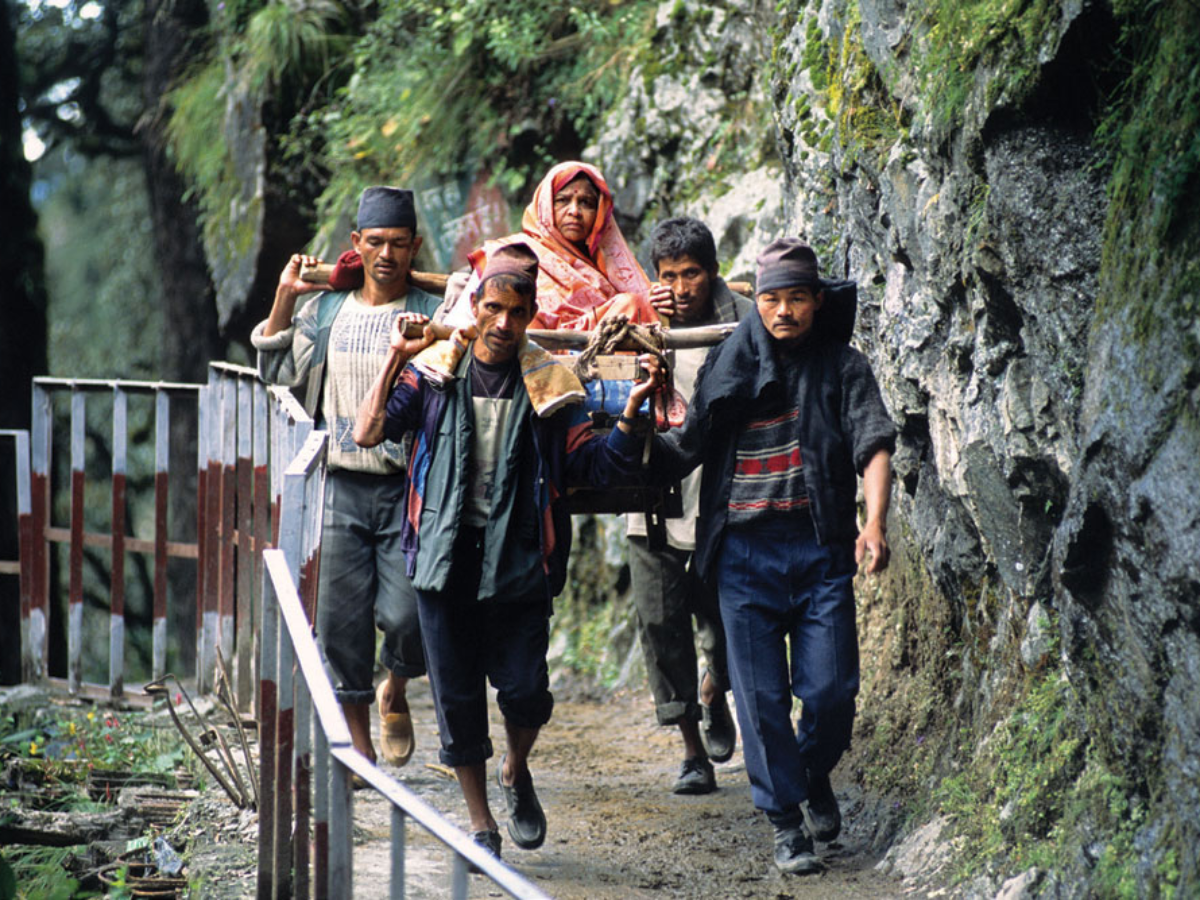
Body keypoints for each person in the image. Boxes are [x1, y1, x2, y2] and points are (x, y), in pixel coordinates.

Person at [353, 244, 665, 863]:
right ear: (475, 306)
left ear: (529, 316)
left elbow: (589, 466)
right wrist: (395, 356)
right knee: (459, 700)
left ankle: (516, 768)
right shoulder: (436, 371)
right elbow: (367, 432)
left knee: (525, 693)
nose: (502, 323)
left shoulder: (551, 384)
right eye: (493, 308)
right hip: (445, 560)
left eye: (516, 312)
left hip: (521, 559)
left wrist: (629, 416)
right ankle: (480, 825)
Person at [652, 238, 895, 874]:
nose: (782, 311)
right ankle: (786, 821)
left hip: (819, 550)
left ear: (817, 300)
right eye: (769, 299)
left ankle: (811, 772)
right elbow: (687, 444)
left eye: (795, 298)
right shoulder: (729, 368)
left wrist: (873, 523)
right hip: (743, 555)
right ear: (755, 303)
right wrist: (631, 429)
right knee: (760, 699)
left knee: (833, 689)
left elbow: (873, 444)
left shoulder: (844, 368)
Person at [251, 186, 441, 769]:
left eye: (400, 244)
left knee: (409, 616)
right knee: (339, 623)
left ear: (414, 249)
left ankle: (398, 685)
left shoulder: (432, 315)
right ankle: (361, 750)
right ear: (356, 244)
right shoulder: (327, 314)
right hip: (338, 485)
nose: (387, 254)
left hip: (410, 487)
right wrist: (285, 298)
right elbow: (274, 372)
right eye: (376, 242)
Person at [627, 217, 750, 795]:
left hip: (726, 500)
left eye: (691, 274)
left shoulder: (747, 321)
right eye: (668, 275)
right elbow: (594, 371)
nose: (679, 287)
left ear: (713, 271)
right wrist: (637, 322)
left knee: (726, 621)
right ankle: (692, 750)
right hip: (652, 500)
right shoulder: (637, 321)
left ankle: (716, 686)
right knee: (660, 624)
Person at [441, 160, 660, 330]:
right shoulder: (510, 254)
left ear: (600, 213)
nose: (574, 211)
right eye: (563, 200)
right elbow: (461, 323)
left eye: (586, 203)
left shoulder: (610, 267)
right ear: (546, 205)